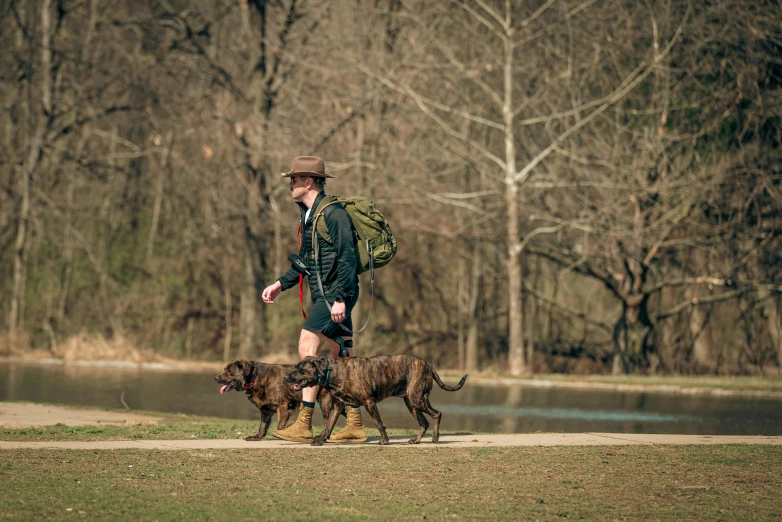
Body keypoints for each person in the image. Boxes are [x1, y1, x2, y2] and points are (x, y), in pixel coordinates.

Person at [261, 156, 366, 444]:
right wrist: (280, 284)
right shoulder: (309, 215)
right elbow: (307, 261)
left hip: (336, 293)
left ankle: (304, 422)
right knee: (342, 357)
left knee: (307, 344)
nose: (290, 185)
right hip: (327, 293)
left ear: (308, 182)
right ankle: (355, 424)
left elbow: (347, 256)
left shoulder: (333, 214)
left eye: (293, 180)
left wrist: (342, 299)